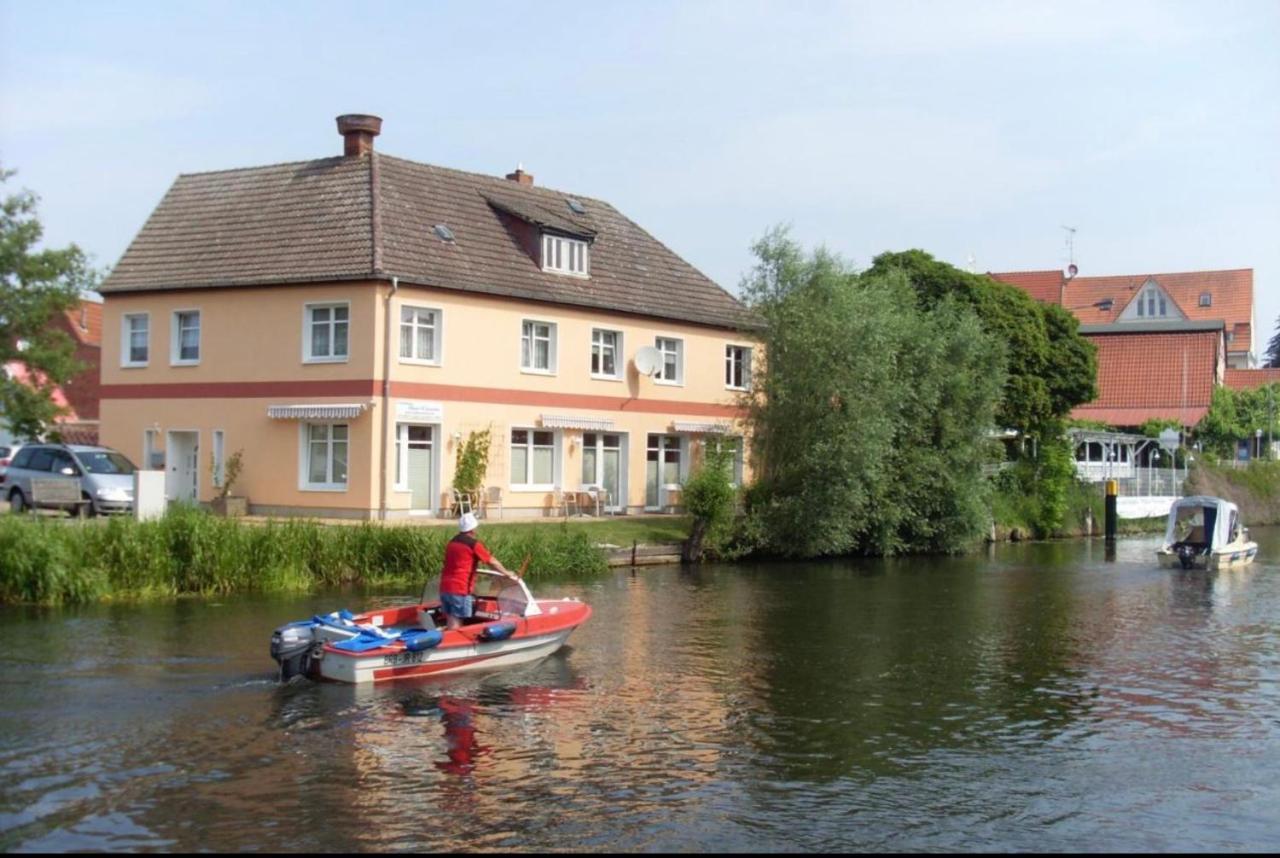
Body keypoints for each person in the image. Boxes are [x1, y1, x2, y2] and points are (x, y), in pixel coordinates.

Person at [439, 512, 515, 630]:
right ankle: (457, 646)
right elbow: (491, 561)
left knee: (451, 618)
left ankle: (449, 641)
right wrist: (506, 573)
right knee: (457, 622)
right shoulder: (473, 544)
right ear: (473, 529)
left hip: (445, 588)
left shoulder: (452, 542)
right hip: (460, 589)